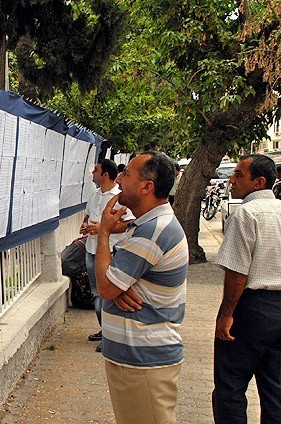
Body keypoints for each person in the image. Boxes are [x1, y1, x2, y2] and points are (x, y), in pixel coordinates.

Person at [95, 151, 188, 424]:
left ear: (147, 187)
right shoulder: (144, 226)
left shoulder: (154, 230)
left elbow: (106, 286)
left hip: (144, 359)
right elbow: (114, 283)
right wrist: (117, 285)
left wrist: (103, 232)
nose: (120, 179)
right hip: (136, 357)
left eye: (126, 174)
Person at [212, 154, 281, 423]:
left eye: (239, 174)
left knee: (230, 386)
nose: (231, 180)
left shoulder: (245, 213)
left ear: (258, 182)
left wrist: (227, 314)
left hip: (252, 306)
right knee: (275, 390)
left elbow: (237, 272)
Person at [79, 159, 134, 352]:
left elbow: (127, 224)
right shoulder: (94, 195)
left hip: (110, 252)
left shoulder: (119, 198)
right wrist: (85, 225)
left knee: (108, 296)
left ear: (104, 175)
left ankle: (112, 336)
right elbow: (88, 215)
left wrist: (103, 228)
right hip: (91, 249)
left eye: (96, 170)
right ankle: (104, 330)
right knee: (96, 293)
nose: (92, 173)